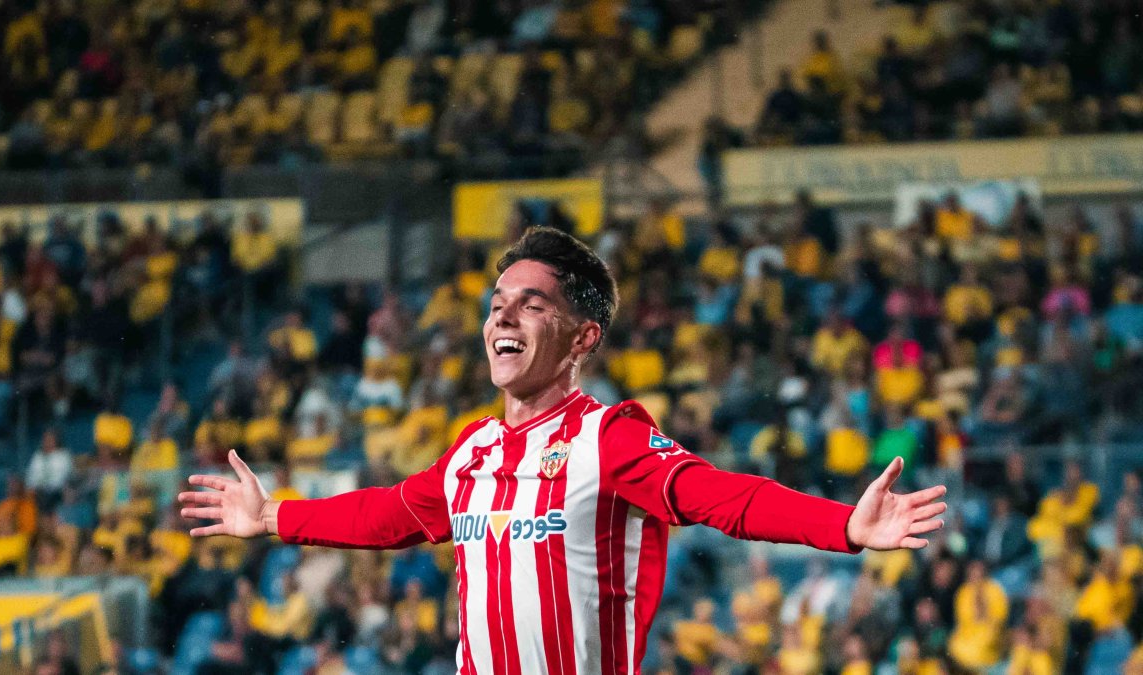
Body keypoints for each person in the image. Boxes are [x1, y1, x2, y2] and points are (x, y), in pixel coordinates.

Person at [181, 227, 947, 674]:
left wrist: (842, 525)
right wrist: (275, 513)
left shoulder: (609, 438)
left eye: (531, 302)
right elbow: (387, 515)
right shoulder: (471, 451)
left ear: (583, 337)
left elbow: (724, 497)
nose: (502, 316)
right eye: (496, 302)